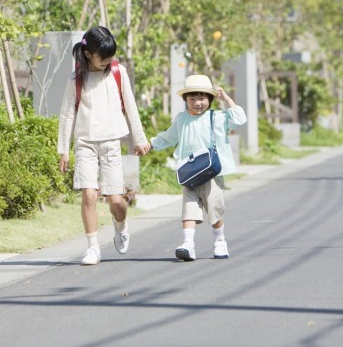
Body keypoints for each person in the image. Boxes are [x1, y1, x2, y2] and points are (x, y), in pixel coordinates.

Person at [57, 26, 150, 266]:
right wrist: (63, 149)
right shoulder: (76, 80)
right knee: (89, 195)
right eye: (103, 58)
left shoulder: (118, 72)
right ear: (89, 54)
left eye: (110, 58)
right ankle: (92, 247)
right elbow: (67, 115)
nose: (108, 62)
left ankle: (120, 224)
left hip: (111, 142)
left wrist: (139, 139)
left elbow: (130, 106)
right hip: (84, 142)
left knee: (116, 201)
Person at [150, 74, 246, 261]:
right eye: (192, 98)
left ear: (210, 99)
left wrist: (225, 98)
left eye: (202, 98)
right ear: (186, 99)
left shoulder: (217, 117)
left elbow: (239, 118)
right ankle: (188, 244)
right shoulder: (182, 119)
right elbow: (168, 137)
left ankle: (219, 241)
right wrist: (150, 144)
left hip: (211, 172)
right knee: (189, 207)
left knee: (214, 208)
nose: (197, 103)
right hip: (190, 173)